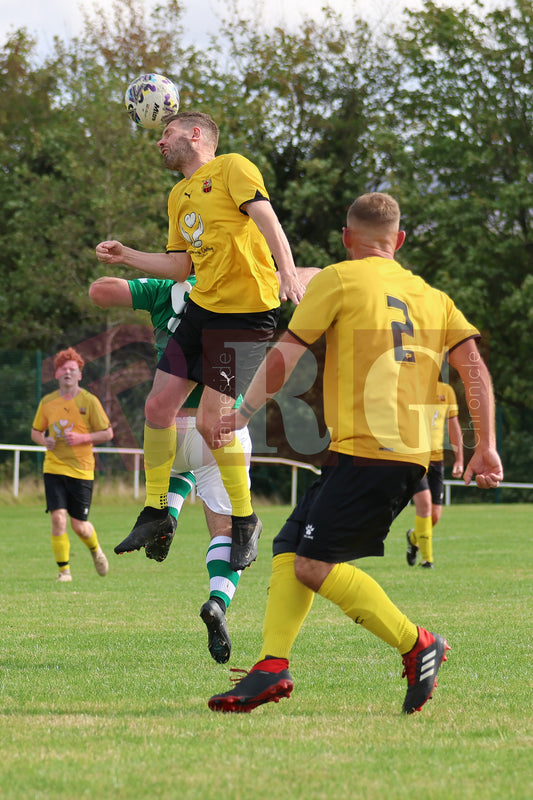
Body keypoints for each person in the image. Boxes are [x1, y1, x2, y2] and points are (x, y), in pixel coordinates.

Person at [207, 192, 503, 716]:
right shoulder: (433, 297)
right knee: (288, 546)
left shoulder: (339, 278)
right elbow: (473, 367)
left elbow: (285, 355)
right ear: (400, 241)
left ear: (347, 239)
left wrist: (242, 412)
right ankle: (270, 666)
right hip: (388, 453)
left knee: (314, 566)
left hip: (373, 452)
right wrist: (486, 447)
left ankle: (418, 643)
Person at [95, 111, 305, 574]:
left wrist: (287, 270)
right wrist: (125, 254)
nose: (159, 142)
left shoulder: (232, 167)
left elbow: (267, 218)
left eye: (166, 133)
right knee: (156, 408)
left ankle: (246, 520)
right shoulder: (178, 195)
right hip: (202, 310)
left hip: (245, 317)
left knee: (214, 424)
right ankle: (154, 512)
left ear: (194, 134)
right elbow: (178, 268)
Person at [31, 347, 114, 583]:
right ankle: (64, 571)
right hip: (54, 467)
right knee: (58, 518)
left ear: (79, 375)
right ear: (56, 373)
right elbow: (35, 432)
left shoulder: (89, 401)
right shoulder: (47, 402)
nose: (67, 372)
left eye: (72, 369)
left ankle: (96, 550)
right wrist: (44, 440)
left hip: (82, 469)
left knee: (80, 526)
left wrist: (83, 438)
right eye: (63, 369)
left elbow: (108, 433)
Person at [406, 379, 463, 568]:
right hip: (414, 457)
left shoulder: (446, 391)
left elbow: (454, 426)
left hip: (437, 460)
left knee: (435, 516)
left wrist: (459, 459)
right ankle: (427, 559)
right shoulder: (411, 387)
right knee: (424, 503)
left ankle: (414, 537)